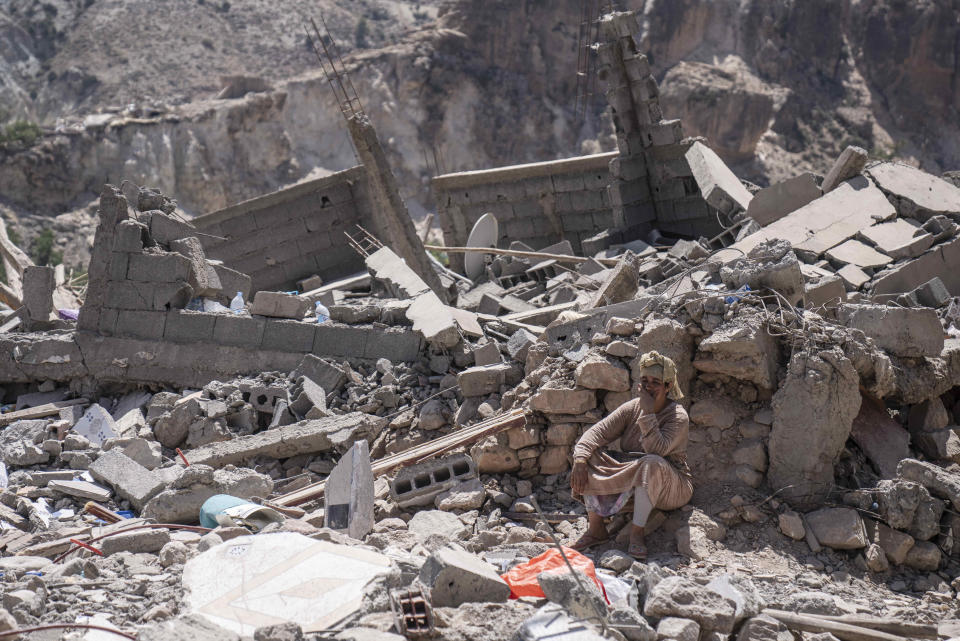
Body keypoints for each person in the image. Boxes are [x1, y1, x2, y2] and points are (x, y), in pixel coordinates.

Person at [569, 350, 694, 560]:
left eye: (656, 382)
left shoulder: (678, 416)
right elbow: (597, 432)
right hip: (636, 476)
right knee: (590, 453)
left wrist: (647, 414)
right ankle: (596, 529)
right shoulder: (631, 408)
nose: (649, 387)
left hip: (671, 484)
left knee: (652, 463)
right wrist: (580, 459)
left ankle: (637, 533)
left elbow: (657, 451)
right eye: (645, 381)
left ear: (668, 386)